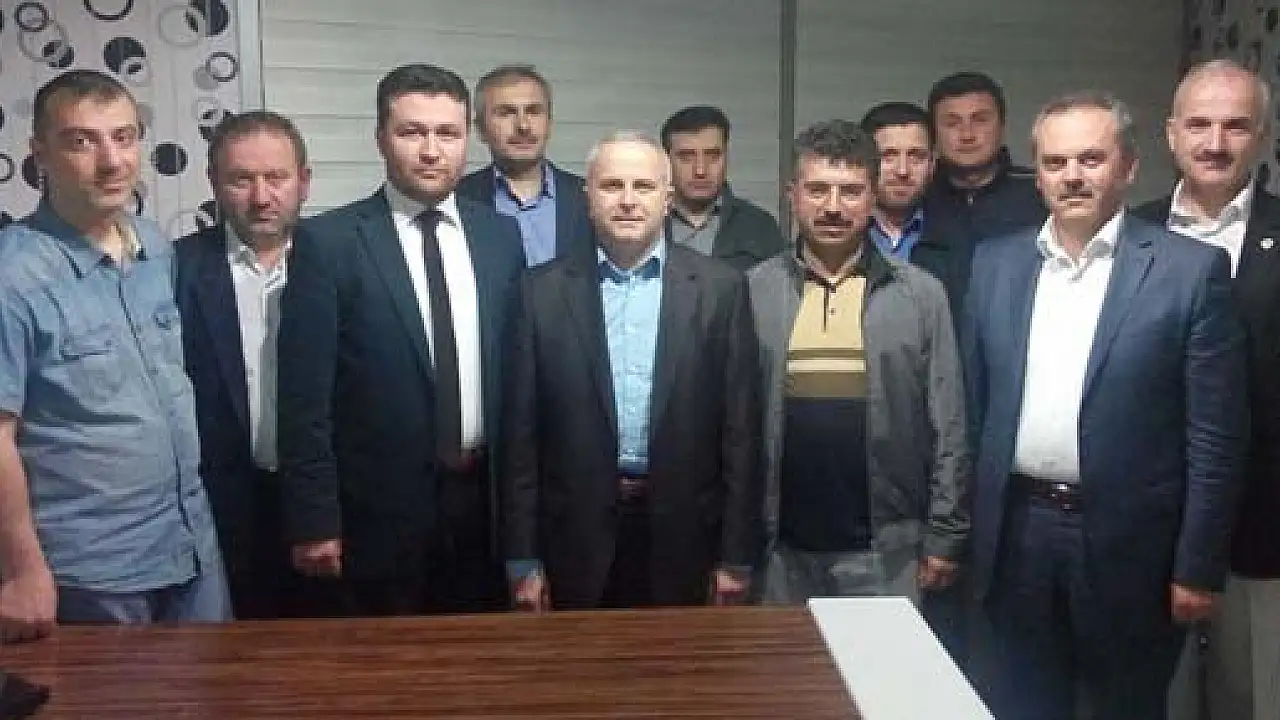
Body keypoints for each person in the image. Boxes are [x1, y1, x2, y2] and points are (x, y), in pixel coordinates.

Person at [963, 90, 1248, 719]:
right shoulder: (995, 265)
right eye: (1055, 162)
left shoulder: (1190, 271)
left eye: (1090, 159)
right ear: (1037, 174)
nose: (1072, 176)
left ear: (1128, 167)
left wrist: (1198, 566)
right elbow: (975, 415)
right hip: (1018, 534)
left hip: (1133, 542)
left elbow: (1215, 438)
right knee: (1021, 704)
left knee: (1125, 707)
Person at [277, 64, 525, 616]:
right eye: (412, 132)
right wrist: (315, 521)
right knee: (383, 663)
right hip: (375, 514)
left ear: (468, 139)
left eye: (448, 134)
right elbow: (302, 400)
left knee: (483, 660)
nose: (431, 151)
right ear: (381, 139)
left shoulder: (499, 236)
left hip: (484, 507)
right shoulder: (329, 243)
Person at [0, 70, 229, 642]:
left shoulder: (155, 247)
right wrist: (21, 569)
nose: (111, 161)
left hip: (191, 546)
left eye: (123, 137)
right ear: (40, 154)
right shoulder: (13, 275)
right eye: (82, 141)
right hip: (93, 571)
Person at [502, 131, 763, 610]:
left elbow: (741, 435)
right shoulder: (539, 294)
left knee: (679, 660)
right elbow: (520, 438)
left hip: (687, 536)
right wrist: (522, 557)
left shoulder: (720, 291)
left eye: (643, 186)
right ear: (587, 198)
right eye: (612, 186)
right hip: (571, 539)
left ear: (667, 198)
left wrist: (736, 557)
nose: (627, 201)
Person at [748, 119, 968, 604]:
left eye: (850, 191)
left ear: (872, 198)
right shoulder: (754, 290)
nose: (833, 207)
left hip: (887, 551)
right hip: (777, 550)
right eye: (817, 190)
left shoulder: (920, 295)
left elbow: (948, 424)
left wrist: (946, 532)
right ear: (792, 195)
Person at [1133, 58, 1280, 720]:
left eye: (1236, 126)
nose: (1215, 143)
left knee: (1256, 700)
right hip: (1148, 528)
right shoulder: (1126, 234)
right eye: (1198, 124)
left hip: (1265, 529)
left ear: (1263, 137)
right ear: (1171, 134)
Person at [174, 110, 316, 619]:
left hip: (322, 506)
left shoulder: (340, 259)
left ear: (304, 181)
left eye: (276, 177)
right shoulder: (177, 268)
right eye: (241, 179)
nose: (261, 197)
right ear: (214, 183)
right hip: (219, 511)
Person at [924, 72, 1046, 305]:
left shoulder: (1040, 192)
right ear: (933, 133)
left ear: (1002, 126)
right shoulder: (919, 198)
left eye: (980, 120)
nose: (967, 135)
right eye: (952, 123)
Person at [456, 64, 590, 266]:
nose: (523, 126)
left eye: (534, 111)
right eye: (506, 113)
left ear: (549, 123)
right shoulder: (456, 199)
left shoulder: (588, 198)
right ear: (480, 129)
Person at [659, 105, 786, 270]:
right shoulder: (647, 223)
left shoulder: (759, 226)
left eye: (713, 156)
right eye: (686, 157)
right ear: (665, 161)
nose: (700, 170)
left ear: (726, 157)